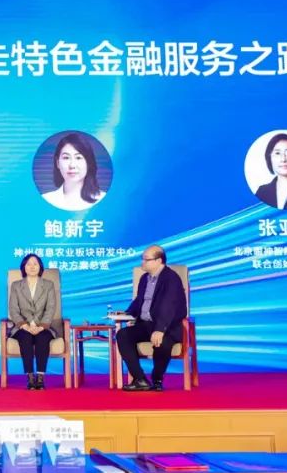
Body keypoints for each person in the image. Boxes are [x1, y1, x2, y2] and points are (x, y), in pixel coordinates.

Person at [116, 245, 187, 392]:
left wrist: (160, 329)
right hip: (146, 324)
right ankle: (140, 379)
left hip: (168, 326)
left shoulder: (171, 278)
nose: (142, 262)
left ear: (158, 261)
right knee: (123, 334)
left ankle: (157, 379)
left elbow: (169, 305)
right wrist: (126, 312)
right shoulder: (144, 278)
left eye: (146, 259)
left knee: (162, 342)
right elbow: (140, 300)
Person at [7, 253, 57, 390]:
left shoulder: (48, 285)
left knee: (42, 338)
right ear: (24, 267)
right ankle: (30, 377)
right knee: (25, 338)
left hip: (43, 326)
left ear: (40, 267)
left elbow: (51, 308)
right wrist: (25, 325)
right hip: (22, 327)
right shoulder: (16, 286)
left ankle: (40, 378)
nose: (32, 267)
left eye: (35, 264)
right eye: (29, 264)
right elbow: (13, 309)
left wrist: (41, 326)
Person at [41, 132, 106, 211]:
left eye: (78, 158)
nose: (72, 165)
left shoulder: (103, 199)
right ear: (57, 163)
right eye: (66, 158)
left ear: (88, 163)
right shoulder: (47, 199)